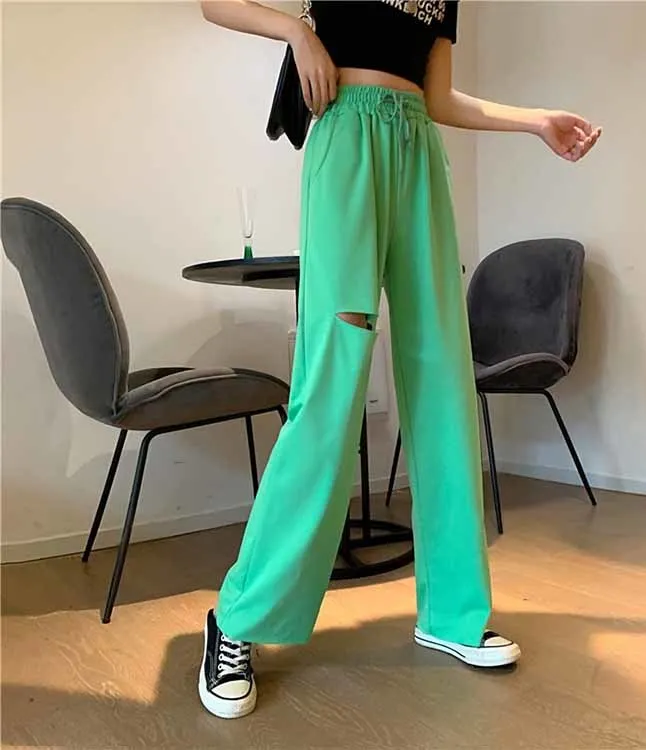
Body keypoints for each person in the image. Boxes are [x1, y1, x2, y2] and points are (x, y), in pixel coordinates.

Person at [198, 0, 601, 720]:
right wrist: (296, 31)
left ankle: (452, 612)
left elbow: (439, 97)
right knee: (331, 382)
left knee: (443, 380)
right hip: (347, 139)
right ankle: (238, 618)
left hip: (417, 148)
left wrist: (535, 120)